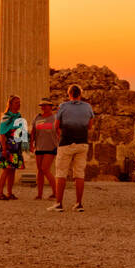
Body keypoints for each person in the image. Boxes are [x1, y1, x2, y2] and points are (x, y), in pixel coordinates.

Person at [51, 84, 94, 213]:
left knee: (61, 173)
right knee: (79, 174)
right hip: (82, 143)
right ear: (80, 94)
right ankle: (79, 204)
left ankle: (59, 204)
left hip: (66, 143)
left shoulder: (63, 106)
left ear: (69, 94)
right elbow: (90, 126)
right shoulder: (87, 107)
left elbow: (56, 125)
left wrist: (61, 135)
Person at [0, 96, 26, 200]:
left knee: (13, 170)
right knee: (6, 170)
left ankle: (9, 192)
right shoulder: (6, 117)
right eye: (16, 103)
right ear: (11, 104)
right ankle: (0, 193)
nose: (19, 104)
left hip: (16, 146)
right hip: (7, 146)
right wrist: (4, 149)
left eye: (19, 102)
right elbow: (2, 134)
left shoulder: (19, 116)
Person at [31, 99, 59, 200]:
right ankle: (39, 194)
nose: (43, 107)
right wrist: (31, 144)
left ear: (50, 106)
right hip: (39, 147)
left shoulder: (55, 118)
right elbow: (33, 132)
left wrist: (60, 145)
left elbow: (59, 132)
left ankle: (56, 193)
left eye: (45, 105)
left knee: (45, 169)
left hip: (51, 146)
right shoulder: (37, 117)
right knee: (40, 171)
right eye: (42, 105)